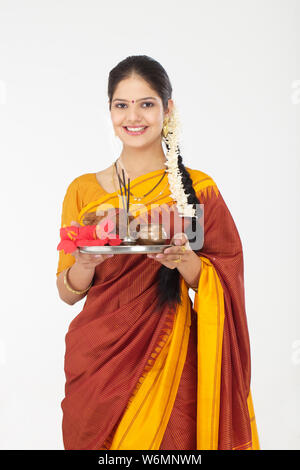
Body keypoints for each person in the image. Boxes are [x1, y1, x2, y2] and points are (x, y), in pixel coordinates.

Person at [56, 55, 259, 450]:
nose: (134, 116)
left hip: (171, 355)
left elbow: (228, 272)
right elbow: (67, 291)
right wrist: (83, 263)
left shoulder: (199, 189)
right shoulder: (83, 190)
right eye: (122, 105)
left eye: (146, 103)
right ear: (110, 111)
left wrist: (189, 264)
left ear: (168, 109)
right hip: (96, 362)